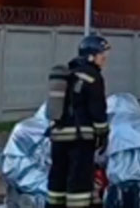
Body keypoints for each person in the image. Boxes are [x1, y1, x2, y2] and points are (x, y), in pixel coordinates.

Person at [47, 35, 111, 208]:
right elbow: (97, 111)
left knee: (57, 179)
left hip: (58, 137)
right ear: (91, 55)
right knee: (79, 182)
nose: (104, 58)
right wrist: (103, 134)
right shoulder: (93, 76)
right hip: (79, 139)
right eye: (101, 54)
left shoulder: (69, 73)